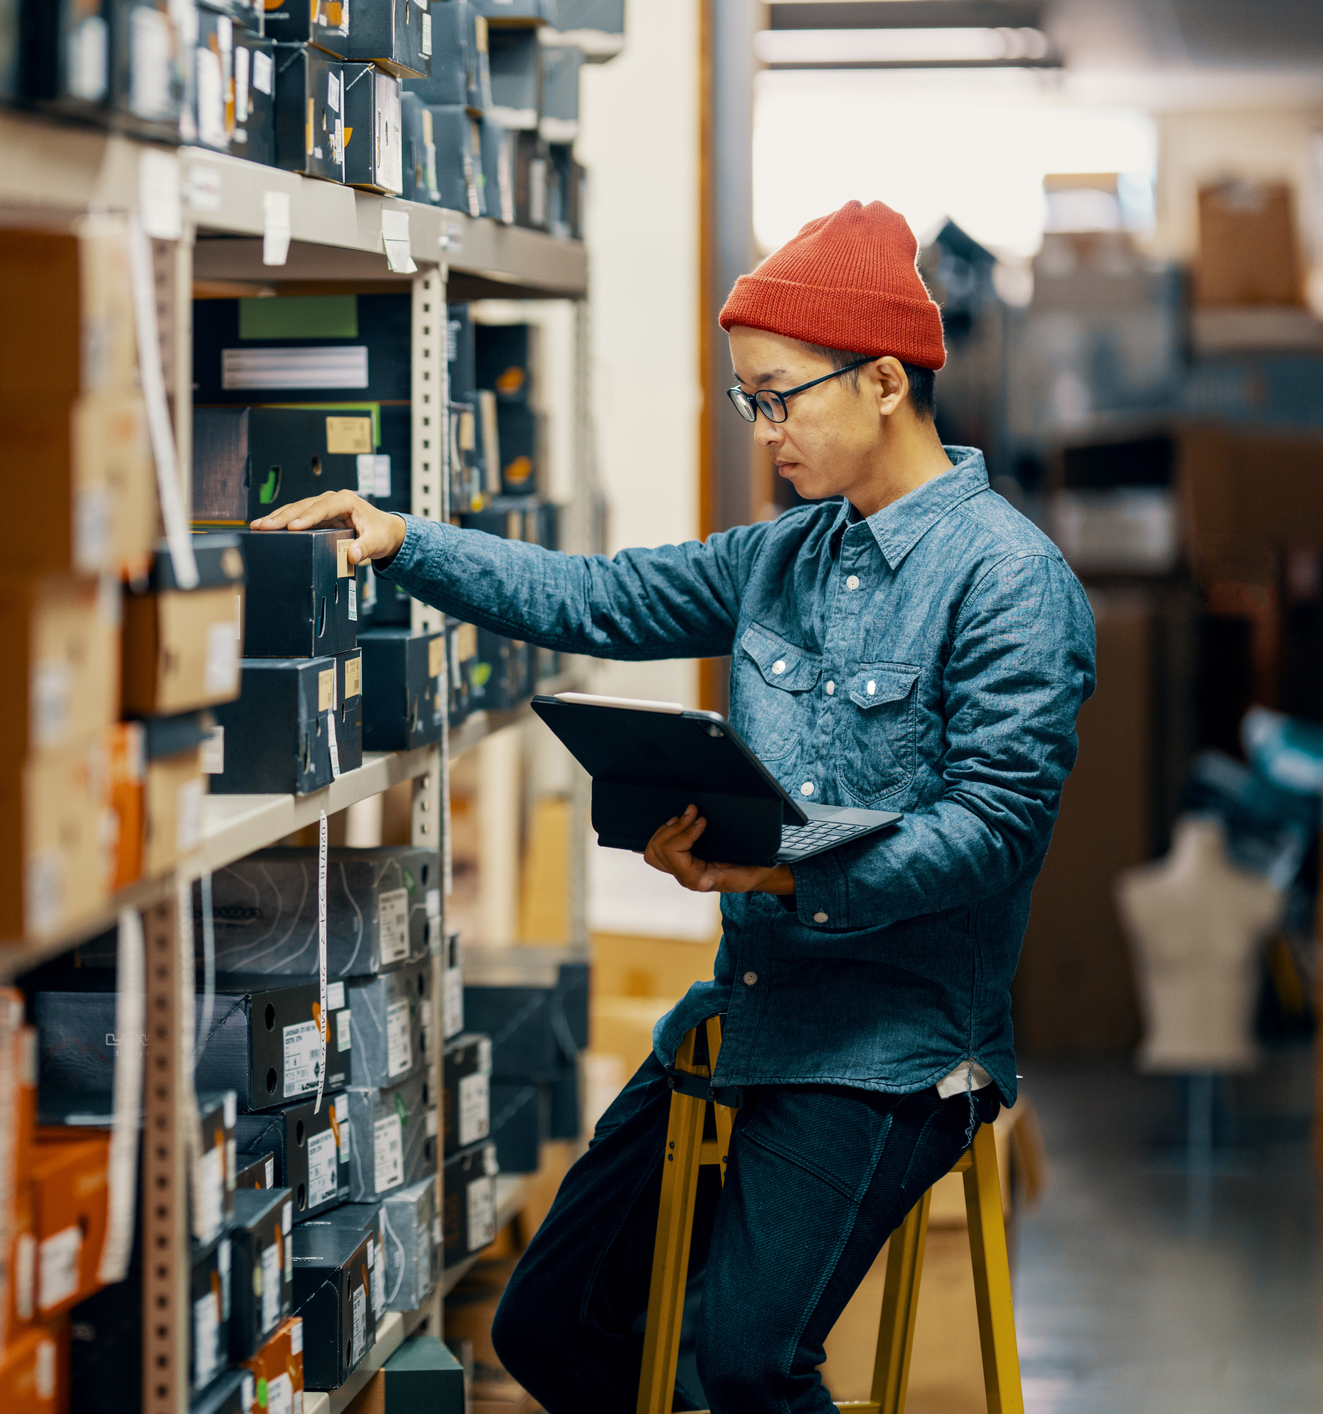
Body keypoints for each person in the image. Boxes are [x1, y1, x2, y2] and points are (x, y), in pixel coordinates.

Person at [251, 200, 1096, 1413]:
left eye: (780, 397)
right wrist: (400, 541)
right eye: (751, 401)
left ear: (884, 384)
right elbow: (594, 597)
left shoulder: (1011, 582)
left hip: (893, 1048)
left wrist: (784, 875)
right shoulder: (782, 557)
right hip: (747, 1013)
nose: (766, 431)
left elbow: (994, 831)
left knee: (748, 1361)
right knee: (547, 1326)